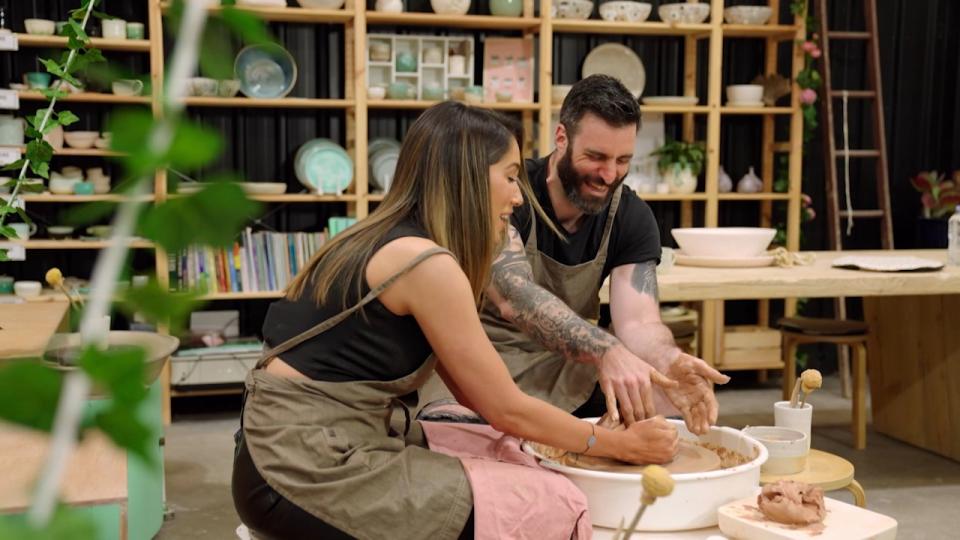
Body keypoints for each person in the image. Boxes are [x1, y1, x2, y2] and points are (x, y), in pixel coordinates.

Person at [231, 101, 679, 540]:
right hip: (297, 467)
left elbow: (479, 399)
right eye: (508, 177)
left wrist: (583, 434)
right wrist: (618, 445)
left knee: (507, 451)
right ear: (467, 177)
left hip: (299, 439)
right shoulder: (426, 263)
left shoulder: (388, 235)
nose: (517, 196)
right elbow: (506, 407)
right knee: (550, 501)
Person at [422, 74, 730, 434]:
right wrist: (606, 350)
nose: (609, 174)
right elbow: (515, 297)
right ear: (562, 138)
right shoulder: (509, 192)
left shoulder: (630, 215)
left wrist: (670, 360)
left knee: (663, 398)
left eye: (623, 160)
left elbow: (638, 322)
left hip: (567, 365)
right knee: (462, 434)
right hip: (484, 360)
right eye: (596, 157)